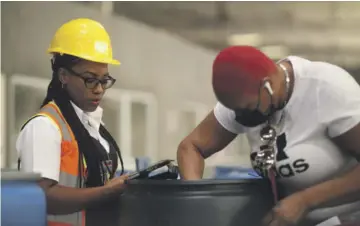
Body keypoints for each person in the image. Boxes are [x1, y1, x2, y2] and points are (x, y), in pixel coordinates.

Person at [177, 46, 360, 226]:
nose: (241, 118)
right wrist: (197, 202)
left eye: (247, 109)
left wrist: (305, 201)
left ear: (268, 86)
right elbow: (191, 147)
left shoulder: (328, 90)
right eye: (234, 111)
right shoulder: (241, 99)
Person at [16, 18, 128, 226]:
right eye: (90, 79)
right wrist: (106, 191)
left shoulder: (92, 126)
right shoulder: (45, 127)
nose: (99, 89)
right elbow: (43, 197)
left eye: (104, 80)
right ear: (64, 75)